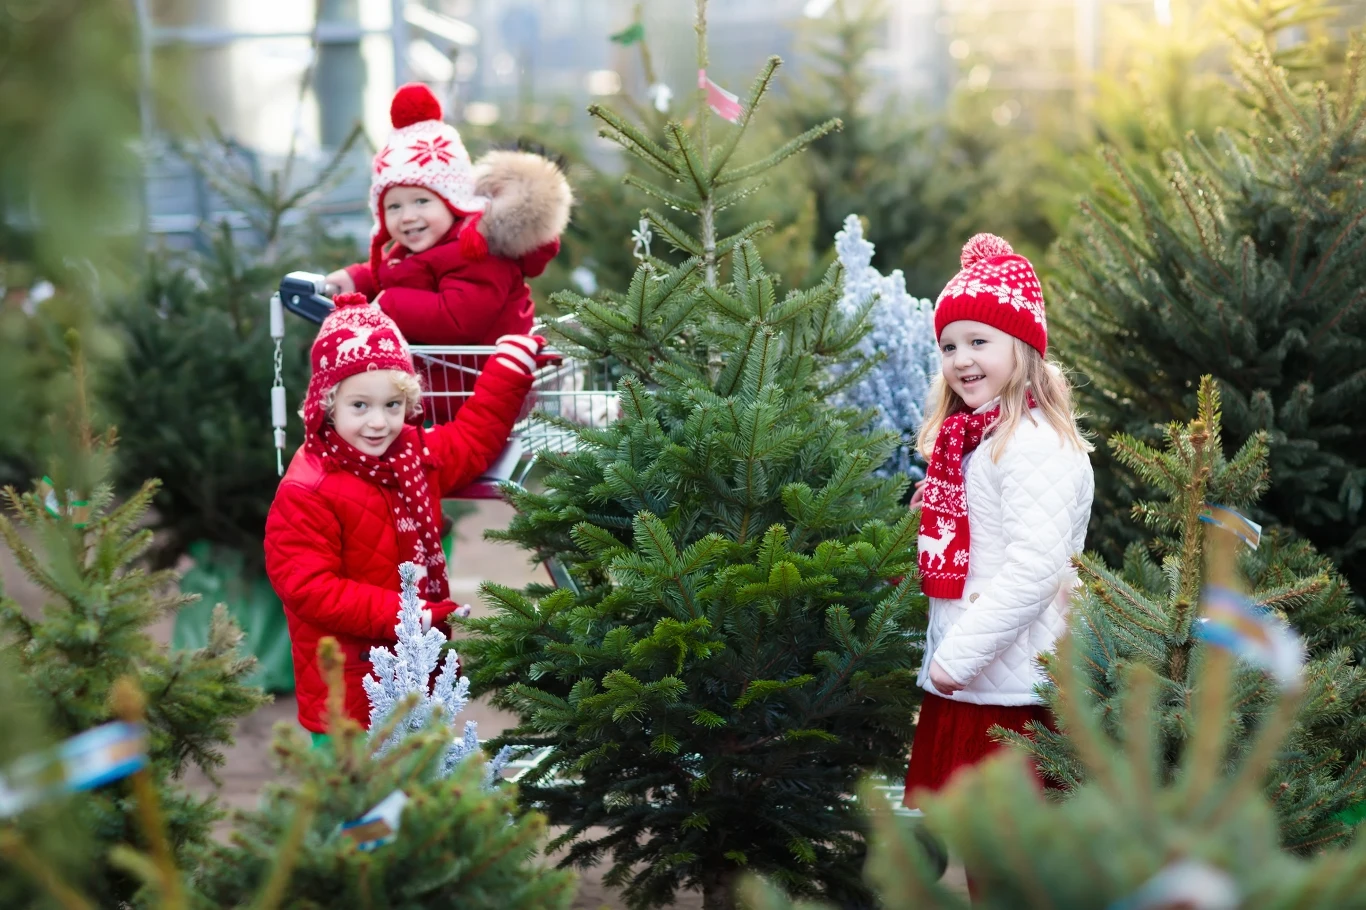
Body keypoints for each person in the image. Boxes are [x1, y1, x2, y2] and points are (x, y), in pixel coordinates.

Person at [263, 293, 543, 743]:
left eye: (392, 406)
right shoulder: (308, 488)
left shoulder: (412, 457)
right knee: (355, 803)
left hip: (415, 671)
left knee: (415, 795)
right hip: (349, 689)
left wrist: (507, 371)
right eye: (360, 406)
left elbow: (471, 440)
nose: (378, 422)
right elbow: (312, 589)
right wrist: (411, 618)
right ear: (327, 404)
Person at [902, 233, 1094, 839]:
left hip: (1008, 691)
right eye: (949, 345)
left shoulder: (1033, 443)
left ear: (1024, 348)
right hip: (983, 679)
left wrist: (955, 659)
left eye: (979, 341)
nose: (961, 359)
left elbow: (1036, 568)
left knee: (1018, 865)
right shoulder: (975, 440)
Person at [325, 82, 572, 422]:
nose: (407, 216)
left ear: (453, 201)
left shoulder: (478, 252)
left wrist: (389, 306)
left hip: (483, 396)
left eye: (422, 201)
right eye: (394, 207)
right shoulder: (424, 246)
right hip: (447, 392)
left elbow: (458, 318)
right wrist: (357, 278)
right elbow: (401, 272)